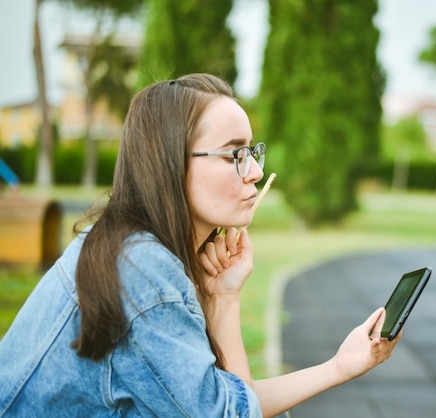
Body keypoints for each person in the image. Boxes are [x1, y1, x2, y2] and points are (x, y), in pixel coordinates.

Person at [0, 73, 399, 417]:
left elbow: (228, 400)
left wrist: (339, 366)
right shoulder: (141, 270)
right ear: (171, 161)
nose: (256, 171)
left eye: (252, 152)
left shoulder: (132, 247)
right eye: (234, 154)